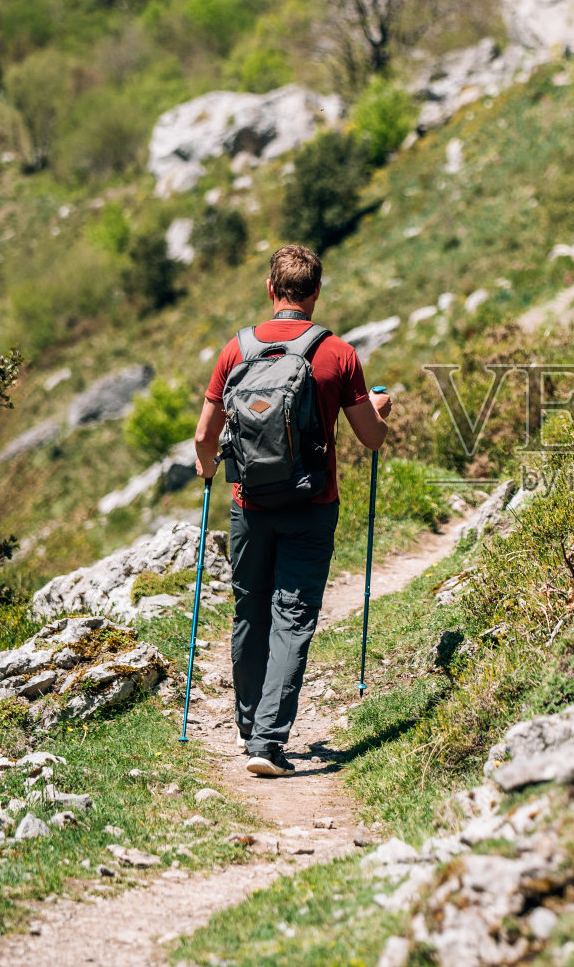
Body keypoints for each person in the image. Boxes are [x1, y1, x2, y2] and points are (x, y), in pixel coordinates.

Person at [193, 244, 392, 777]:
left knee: (249, 611)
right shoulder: (338, 355)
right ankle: (267, 743)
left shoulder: (235, 351)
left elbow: (204, 437)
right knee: (292, 618)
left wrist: (207, 468)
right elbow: (370, 438)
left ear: (271, 289)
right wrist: (380, 410)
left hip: (249, 505)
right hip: (311, 504)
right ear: (317, 292)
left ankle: (249, 726)